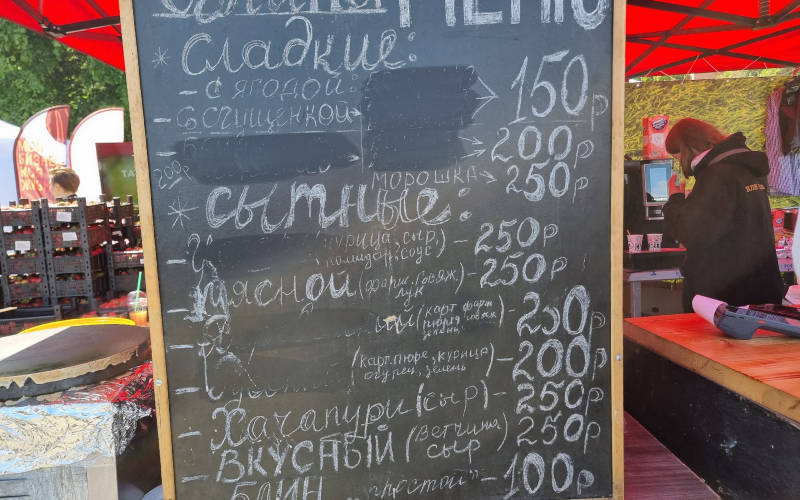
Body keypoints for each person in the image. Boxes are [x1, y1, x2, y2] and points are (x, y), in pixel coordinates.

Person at [664, 118, 783, 313]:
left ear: (687, 150)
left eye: (678, 158)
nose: (681, 164)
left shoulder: (716, 175)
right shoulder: (748, 170)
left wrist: (675, 199)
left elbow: (691, 233)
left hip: (724, 302)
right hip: (760, 291)